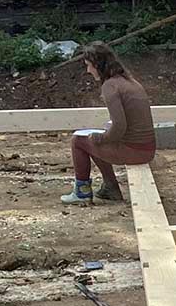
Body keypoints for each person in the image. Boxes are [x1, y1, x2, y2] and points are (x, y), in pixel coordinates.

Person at [65, 41, 155, 205]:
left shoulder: (110, 86)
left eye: (89, 66)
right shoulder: (129, 81)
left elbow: (119, 128)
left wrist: (100, 138)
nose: (88, 71)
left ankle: (82, 192)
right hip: (146, 148)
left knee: (78, 141)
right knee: (96, 138)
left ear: (97, 64)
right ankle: (110, 187)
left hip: (135, 151)